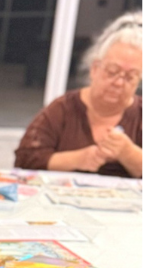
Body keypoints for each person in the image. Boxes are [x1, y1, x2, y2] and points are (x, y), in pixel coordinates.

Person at [15, 12, 142, 178]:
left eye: (130, 77)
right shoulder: (63, 108)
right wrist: (78, 159)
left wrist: (128, 153)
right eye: (112, 72)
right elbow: (24, 160)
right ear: (94, 69)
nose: (119, 82)